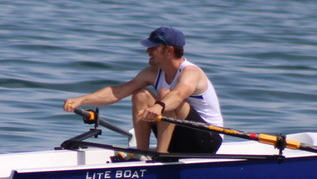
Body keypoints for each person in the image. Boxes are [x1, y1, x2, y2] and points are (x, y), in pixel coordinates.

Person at [63, 26, 224, 154]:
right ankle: (143, 153)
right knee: (140, 95)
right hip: (176, 137)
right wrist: (82, 100)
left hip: (207, 140)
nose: (148, 51)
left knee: (165, 95)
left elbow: (179, 94)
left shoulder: (191, 73)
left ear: (169, 50)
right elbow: (118, 92)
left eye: (153, 47)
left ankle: (161, 156)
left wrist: (158, 106)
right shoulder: (152, 73)